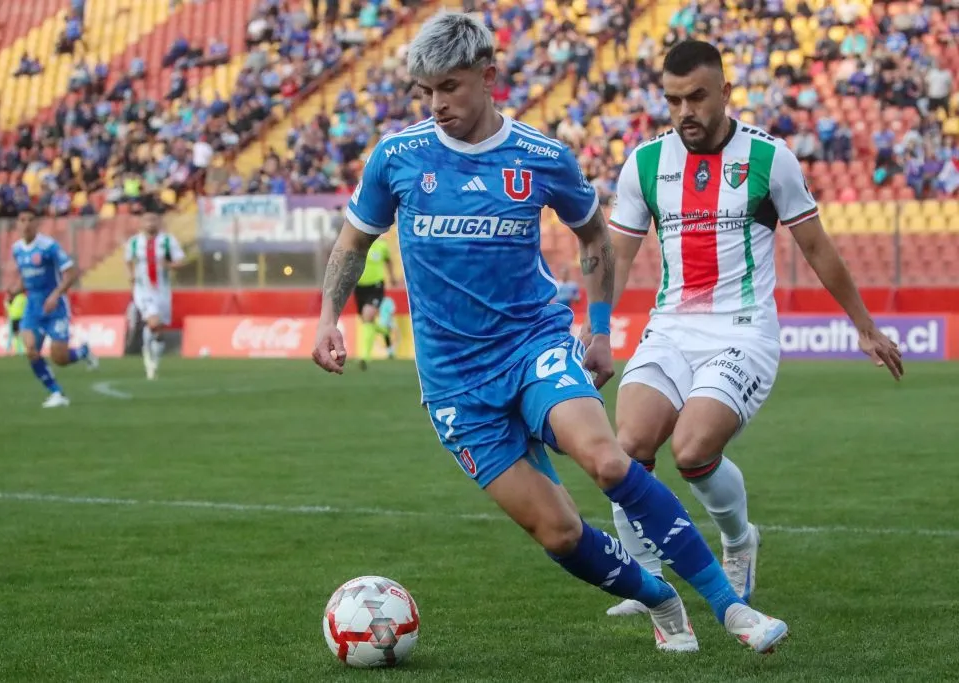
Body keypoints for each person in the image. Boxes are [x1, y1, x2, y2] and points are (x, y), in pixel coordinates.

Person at [313, 13, 788, 655]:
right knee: (560, 534)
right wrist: (327, 318)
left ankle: (732, 610)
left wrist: (596, 330)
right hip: (455, 384)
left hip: (533, 347)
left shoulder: (539, 157)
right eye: (427, 92)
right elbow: (352, 242)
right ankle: (659, 597)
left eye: (450, 87)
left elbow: (594, 235)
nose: (438, 104)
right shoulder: (397, 158)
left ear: (488, 76)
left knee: (608, 459)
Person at [599, 40, 903, 619]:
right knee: (627, 449)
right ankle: (646, 579)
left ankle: (738, 541)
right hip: (671, 329)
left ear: (725, 93)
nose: (685, 111)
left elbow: (816, 245)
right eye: (673, 100)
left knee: (691, 451)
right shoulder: (644, 163)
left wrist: (863, 327)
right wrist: (593, 329)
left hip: (743, 332)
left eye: (697, 97)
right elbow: (617, 256)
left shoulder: (770, 158)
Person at [9, 209, 98, 407]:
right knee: (31, 350)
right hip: (33, 306)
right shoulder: (16, 249)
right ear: (17, 224)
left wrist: (56, 295)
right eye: (22, 220)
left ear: (37, 223)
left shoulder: (49, 246)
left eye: (30, 220)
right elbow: (26, 276)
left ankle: (82, 352)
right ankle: (57, 393)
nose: (26, 224)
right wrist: (16, 290)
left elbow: (72, 272)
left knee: (60, 358)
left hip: (55, 306)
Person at [125, 205, 185, 380]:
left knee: (159, 330)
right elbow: (128, 260)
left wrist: (169, 265)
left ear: (159, 222)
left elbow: (180, 261)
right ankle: (146, 353)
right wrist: (131, 275)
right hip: (143, 290)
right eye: (147, 220)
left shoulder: (168, 241)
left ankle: (154, 361)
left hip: (162, 291)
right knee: (153, 322)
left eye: (153, 219)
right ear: (141, 223)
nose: (150, 223)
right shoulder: (135, 242)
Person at [353, 234, 396, 369]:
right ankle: (384, 330)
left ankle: (364, 357)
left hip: (376, 286)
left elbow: (388, 261)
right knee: (367, 321)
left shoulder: (382, 245)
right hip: (359, 286)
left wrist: (392, 277)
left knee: (368, 315)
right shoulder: (358, 243)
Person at [4, 290, 27, 355]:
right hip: (16, 318)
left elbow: (8, 310)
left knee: (15, 335)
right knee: (15, 335)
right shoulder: (22, 298)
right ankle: (16, 350)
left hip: (15, 318)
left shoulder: (15, 299)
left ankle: (14, 350)